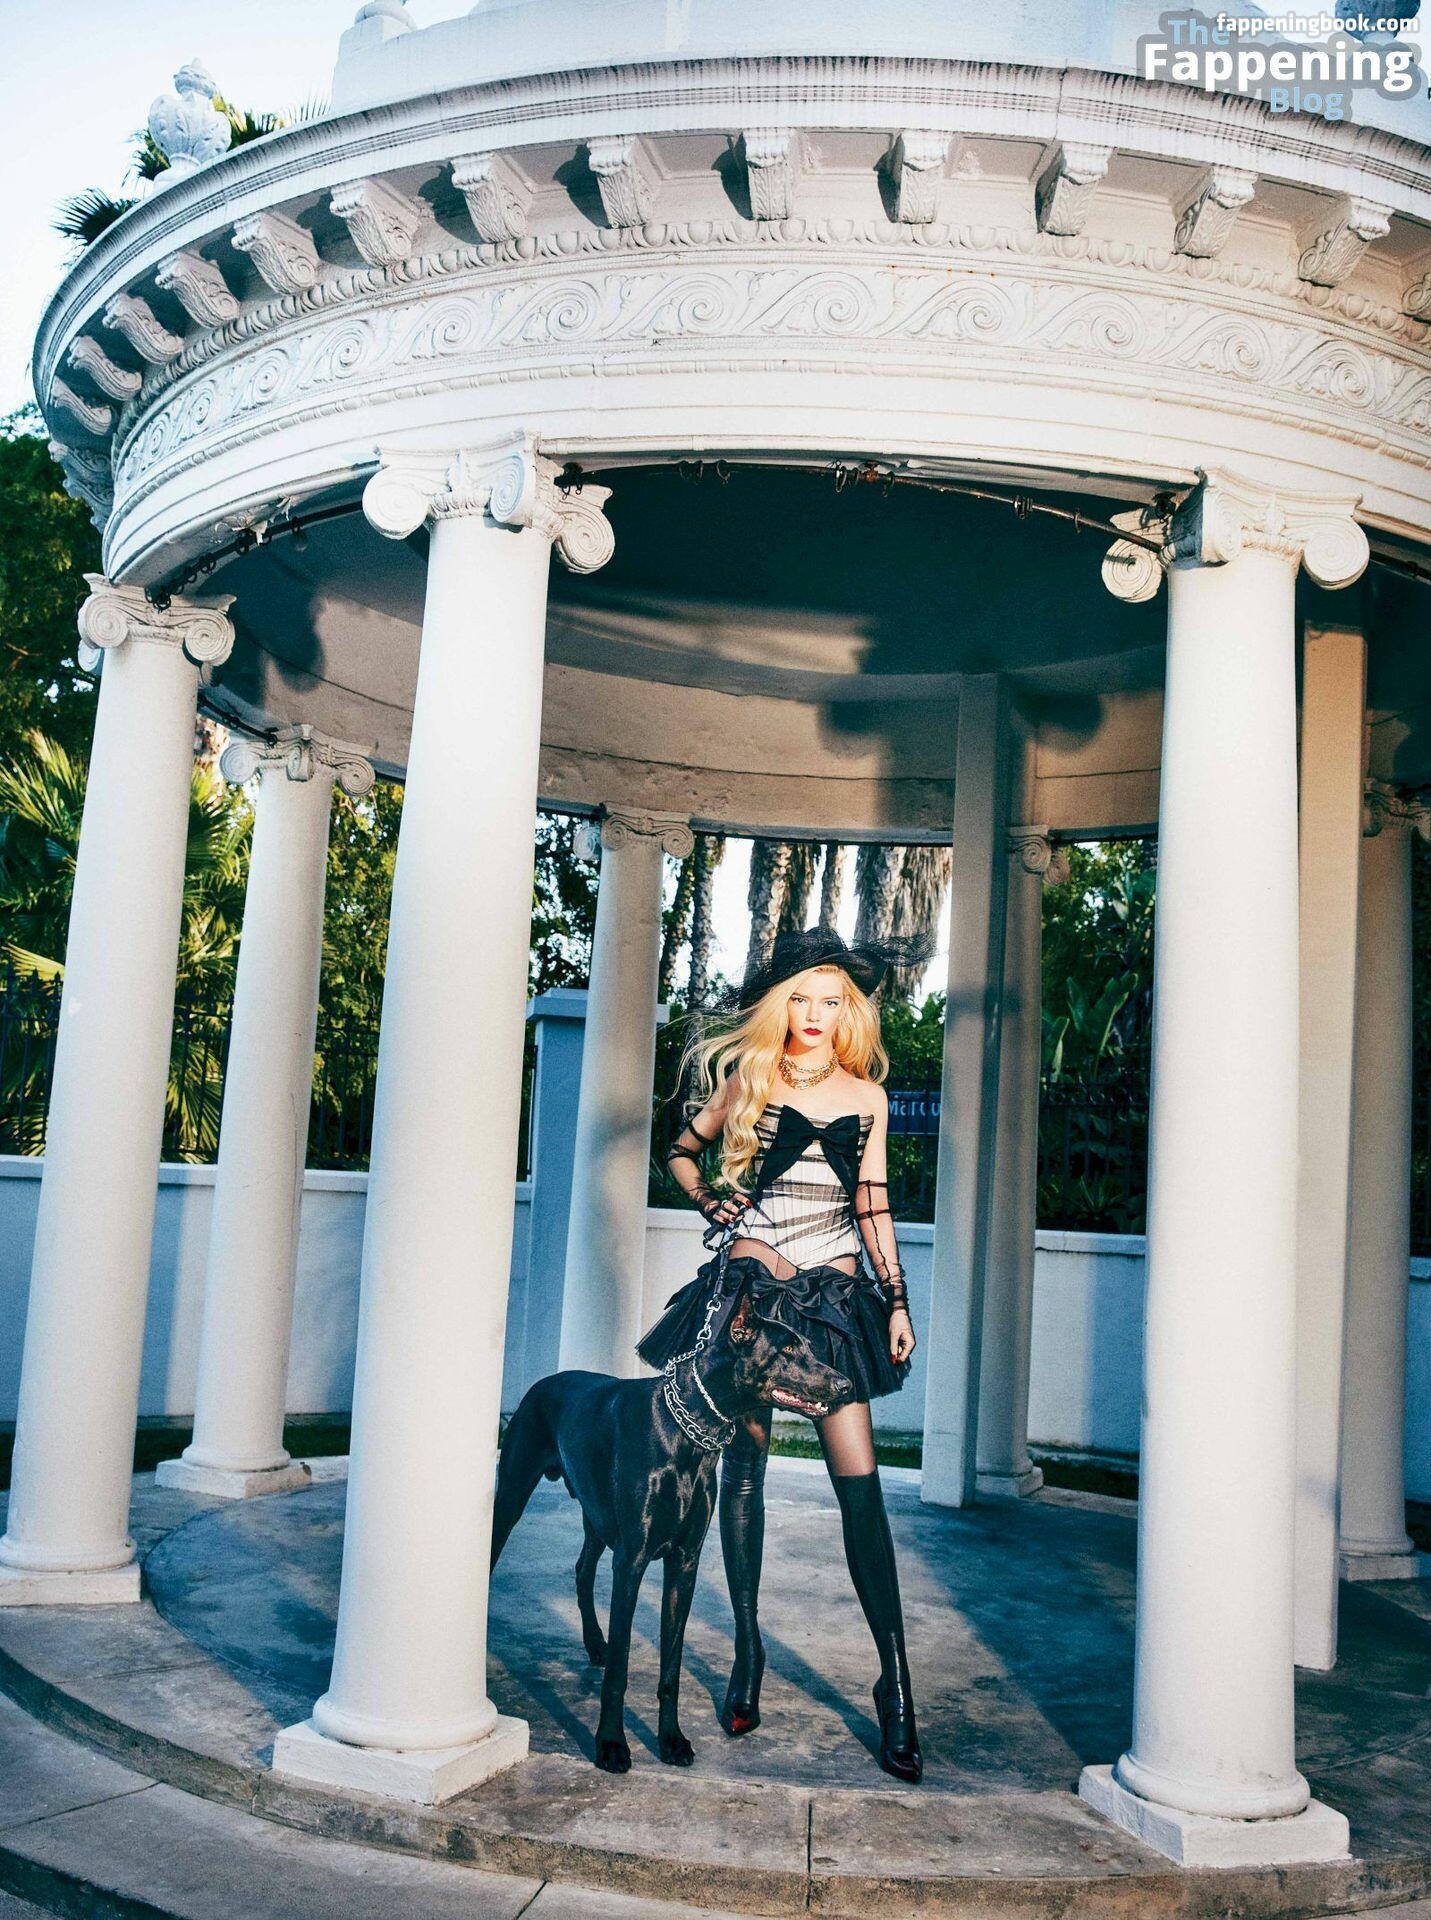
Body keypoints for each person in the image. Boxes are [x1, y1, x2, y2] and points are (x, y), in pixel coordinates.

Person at [638, 927, 923, 1783]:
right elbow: (680, 1150)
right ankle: (747, 1651)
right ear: (779, 1004)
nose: (813, 1013)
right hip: (752, 1285)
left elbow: (871, 1205)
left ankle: (895, 1684)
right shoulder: (750, 1076)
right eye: (800, 997)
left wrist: (896, 1299)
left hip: (832, 1294)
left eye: (829, 1000)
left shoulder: (867, 1097)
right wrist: (710, 1200)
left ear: (848, 1010)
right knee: (744, 1474)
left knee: (859, 1486)